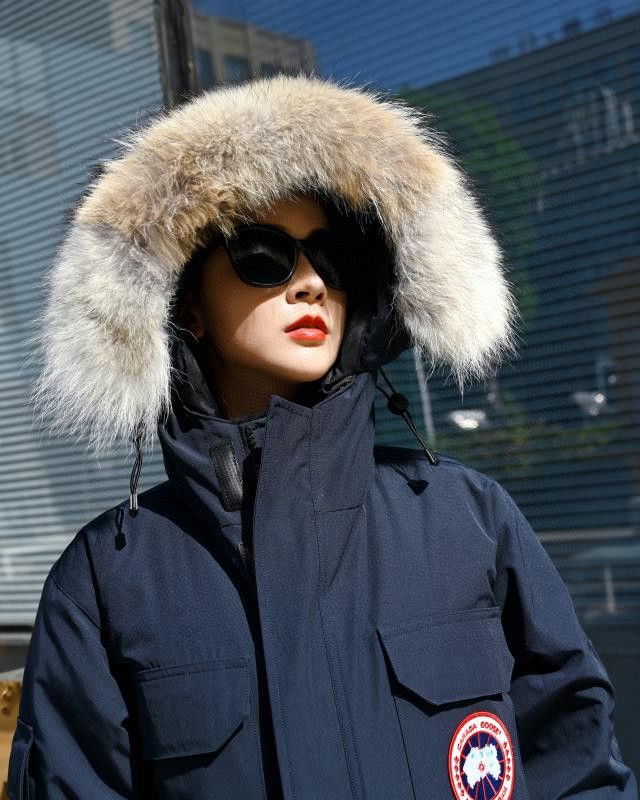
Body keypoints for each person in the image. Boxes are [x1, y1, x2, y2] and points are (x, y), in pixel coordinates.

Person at [8, 73, 636, 800]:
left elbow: (577, 765)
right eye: (262, 255)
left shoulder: (468, 518)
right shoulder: (108, 577)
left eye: (333, 258)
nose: (310, 282)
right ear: (187, 307)